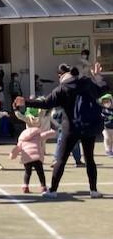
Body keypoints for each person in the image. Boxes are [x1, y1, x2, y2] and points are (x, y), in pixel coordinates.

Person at [14, 63, 108, 199]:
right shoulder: (86, 82)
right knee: (90, 159)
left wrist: (26, 102)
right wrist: (97, 77)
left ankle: (52, 190)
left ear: (60, 75)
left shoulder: (61, 89)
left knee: (61, 159)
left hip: (71, 128)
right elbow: (103, 91)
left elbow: (46, 103)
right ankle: (93, 190)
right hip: (89, 127)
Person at [9, 109, 56, 193]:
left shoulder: (22, 137)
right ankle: (43, 187)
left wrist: (12, 155)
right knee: (40, 172)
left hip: (27, 158)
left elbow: (17, 148)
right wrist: (53, 131)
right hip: (37, 157)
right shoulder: (38, 135)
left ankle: (25, 186)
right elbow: (46, 134)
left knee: (27, 173)